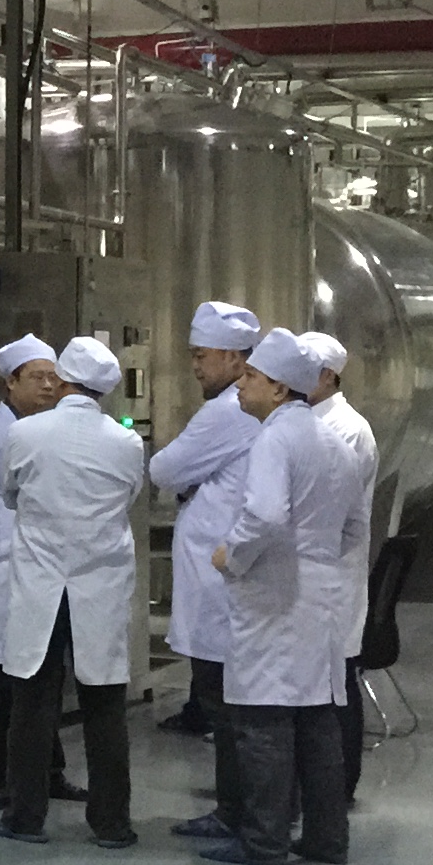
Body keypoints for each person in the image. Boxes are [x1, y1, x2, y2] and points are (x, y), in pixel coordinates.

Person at [195, 327, 368, 865]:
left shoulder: (275, 439)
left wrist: (232, 556)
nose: (240, 385)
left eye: (250, 376)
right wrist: (316, 558)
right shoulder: (334, 442)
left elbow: (266, 516)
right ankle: (326, 838)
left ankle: (265, 840)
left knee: (264, 720)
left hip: (275, 597)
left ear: (277, 389)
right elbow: (356, 527)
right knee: (317, 723)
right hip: (321, 598)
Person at [0, 334, 146, 850]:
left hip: (42, 587)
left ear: (62, 380)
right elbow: (130, 495)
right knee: (105, 705)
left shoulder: (26, 433)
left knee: (33, 704)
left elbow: (10, 494)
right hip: (100, 586)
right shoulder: (126, 443)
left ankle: (25, 816)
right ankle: (112, 823)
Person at [147, 303, 263, 835]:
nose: (194, 366)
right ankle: (253, 810)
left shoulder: (226, 411)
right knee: (234, 705)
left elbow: (165, 468)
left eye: (201, 356)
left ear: (234, 358)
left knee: (226, 706)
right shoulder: (250, 411)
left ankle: (237, 815)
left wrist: (189, 482)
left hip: (223, 581)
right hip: (232, 578)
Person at [0, 336, 76, 808]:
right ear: (10, 383)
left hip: (48, 573)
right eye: (37, 377)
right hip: (4, 571)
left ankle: (47, 771)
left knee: (43, 679)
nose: (47, 386)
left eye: (53, 378)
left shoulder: (54, 432)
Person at [300, 329, 382, 802]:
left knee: (338, 683)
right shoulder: (309, 423)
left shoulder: (347, 428)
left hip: (333, 573)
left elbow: (324, 508)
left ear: (328, 376)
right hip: (316, 574)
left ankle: (341, 784)